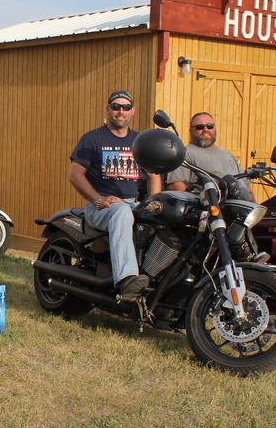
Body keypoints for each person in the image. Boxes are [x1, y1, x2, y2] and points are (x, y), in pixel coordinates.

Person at [68, 90, 161, 298]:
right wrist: (98, 199)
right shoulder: (92, 138)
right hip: (101, 206)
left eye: (126, 107)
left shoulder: (140, 141)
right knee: (120, 212)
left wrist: (153, 204)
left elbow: (154, 175)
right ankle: (126, 279)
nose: (121, 111)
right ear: (108, 109)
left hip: (133, 204)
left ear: (133, 111)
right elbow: (75, 175)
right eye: (116, 107)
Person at [166, 111, 253, 200]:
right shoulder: (184, 153)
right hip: (214, 209)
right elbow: (176, 185)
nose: (205, 129)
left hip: (241, 208)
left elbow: (246, 185)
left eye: (210, 126)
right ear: (190, 131)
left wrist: (253, 205)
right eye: (200, 127)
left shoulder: (228, 155)